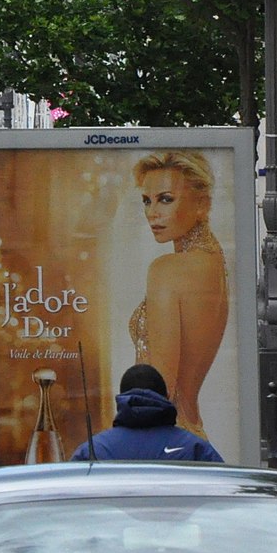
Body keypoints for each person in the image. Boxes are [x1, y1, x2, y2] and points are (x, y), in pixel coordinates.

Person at [129, 149, 228, 440]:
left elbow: (161, 385)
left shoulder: (167, 269)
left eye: (165, 199)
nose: (152, 213)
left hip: (162, 434)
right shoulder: (214, 261)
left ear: (202, 205)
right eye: (146, 201)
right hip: (191, 428)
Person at [70, 363, 223, 462]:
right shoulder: (195, 449)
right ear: (167, 396)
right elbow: (223, 500)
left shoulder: (93, 451)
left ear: (121, 399)